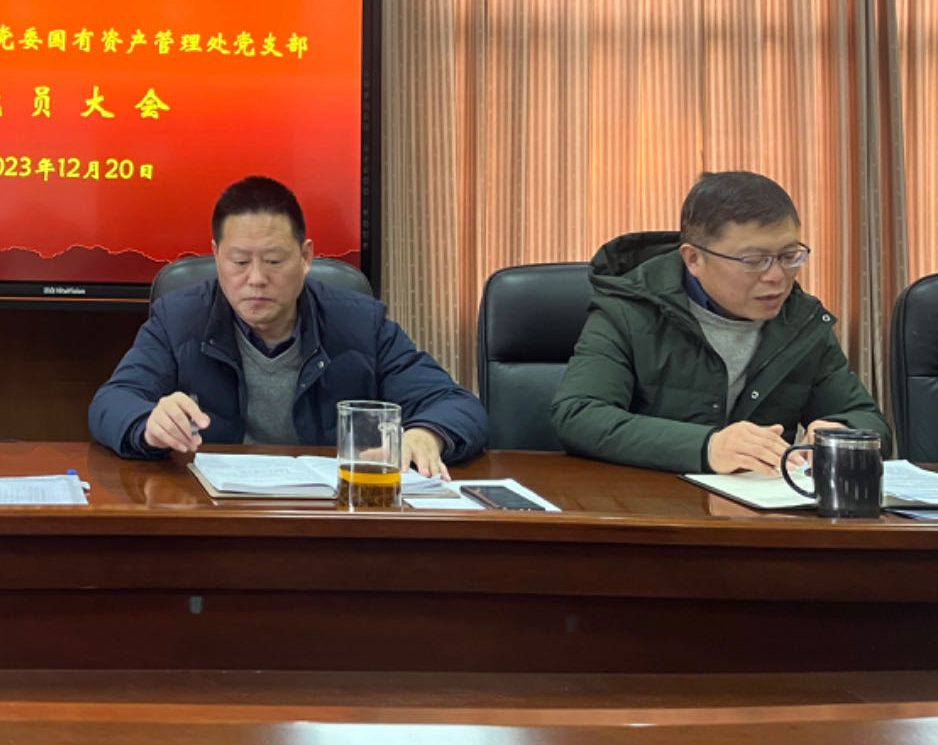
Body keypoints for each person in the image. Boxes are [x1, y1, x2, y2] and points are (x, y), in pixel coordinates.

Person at [89, 176, 487, 476]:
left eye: (274, 261)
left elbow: (457, 404)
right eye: (239, 262)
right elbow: (112, 401)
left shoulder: (358, 323)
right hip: (214, 515)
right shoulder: (179, 319)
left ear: (306, 257)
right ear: (216, 256)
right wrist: (148, 424)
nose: (256, 279)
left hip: (329, 519)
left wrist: (426, 434)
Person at [551, 170, 890, 474]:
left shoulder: (802, 322)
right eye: (754, 260)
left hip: (761, 511)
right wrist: (708, 447)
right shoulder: (629, 309)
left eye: (789, 256)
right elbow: (578, 415)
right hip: (650, 506)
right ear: (694, 259)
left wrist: (843, 433)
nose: (777, 276)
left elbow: (869, 422)